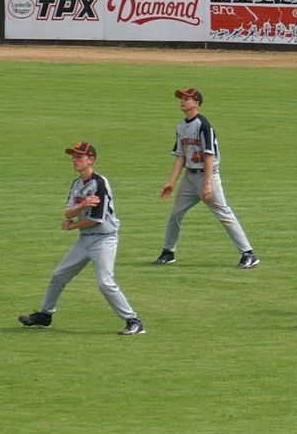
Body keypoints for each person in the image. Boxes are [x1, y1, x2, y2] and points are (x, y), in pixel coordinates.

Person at [19, 142, 144, 336]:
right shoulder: (77, 184)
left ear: (91, 160)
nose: (75, 160)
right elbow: (68, 212)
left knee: (105, 282)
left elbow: (96, 219)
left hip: (104, 239)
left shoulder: (99, 183)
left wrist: (72, 226)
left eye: (79, 157)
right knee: (59, 275)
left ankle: (133, 321)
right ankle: (45, 315)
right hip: (85, 240)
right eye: (74, 157)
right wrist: (81, 206)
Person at [154, 87, 259, 269]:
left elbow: (209, 157)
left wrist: (208, 184)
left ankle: (248, 253)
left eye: (187, 99)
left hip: (207, 175)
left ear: (197, 103)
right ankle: (168, 252)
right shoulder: (181, 127)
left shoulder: (203, 126)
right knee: (175, 214)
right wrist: (171, 182)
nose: (183, 101)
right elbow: (180, 157)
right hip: (189, 178)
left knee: (224, 214)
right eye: (182, 99)